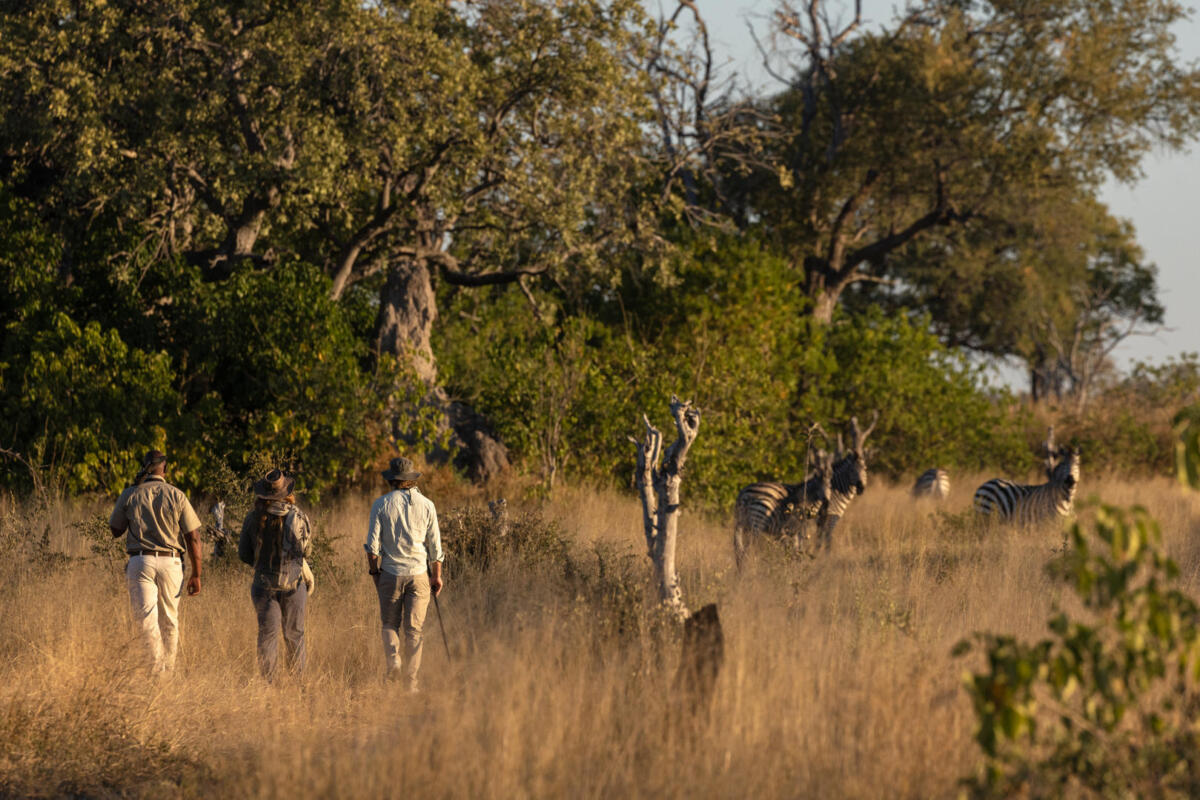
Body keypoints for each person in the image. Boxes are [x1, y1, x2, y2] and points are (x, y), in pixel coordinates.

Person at [108, 450, 203, 673]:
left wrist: (132, 495)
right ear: (165, 469)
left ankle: (156, 671)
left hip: (140, 561)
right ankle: (168, 671)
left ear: (144, 467)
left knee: (146, 621)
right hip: (171, 563)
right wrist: (197, 574)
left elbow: (115, 530)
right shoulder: (177, 495)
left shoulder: (131, 493)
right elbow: (193, 537)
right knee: (170, 620)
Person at [364, 456, 444, 691]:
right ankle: (411, 683)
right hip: (419, 573)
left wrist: (375, 573)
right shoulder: (427, 505)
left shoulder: (381, 504)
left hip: (390, 572)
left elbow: (372, 548)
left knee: (389, 624)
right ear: (411, 479)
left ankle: (394, 662)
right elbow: (435, 548)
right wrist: (436, 576)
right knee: (414, 630)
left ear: (392, 479)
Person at [238, 469, 312, 681]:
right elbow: (307, 552)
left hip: (264, 585)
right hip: (294, 584)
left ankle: (268, 684)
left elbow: (244, 554)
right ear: (287, 492)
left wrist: (262, 564)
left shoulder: (253, 517)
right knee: (295, 634)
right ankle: (297, 683)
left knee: (267, 636)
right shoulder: (299, 516)